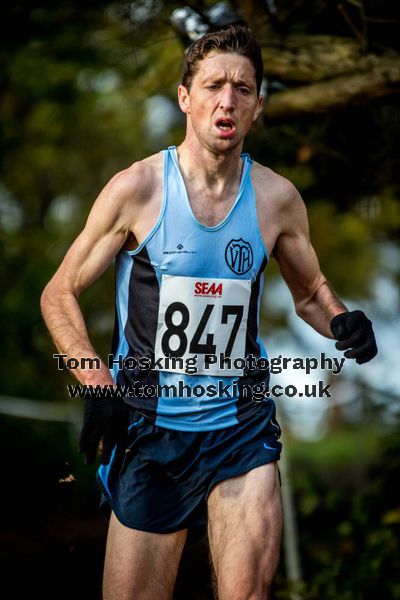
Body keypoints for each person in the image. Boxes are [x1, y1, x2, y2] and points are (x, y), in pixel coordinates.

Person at [40, 24, 377, 600]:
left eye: (243, 89)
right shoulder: (138, 188)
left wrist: (343, 320)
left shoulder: (276, 199)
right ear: (184, 97)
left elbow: (310, 294)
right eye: (214, 85)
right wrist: (97, 386)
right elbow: (59, 292)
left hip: (240, 428)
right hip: (148, 428)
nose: (228, 100)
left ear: (258, 106)